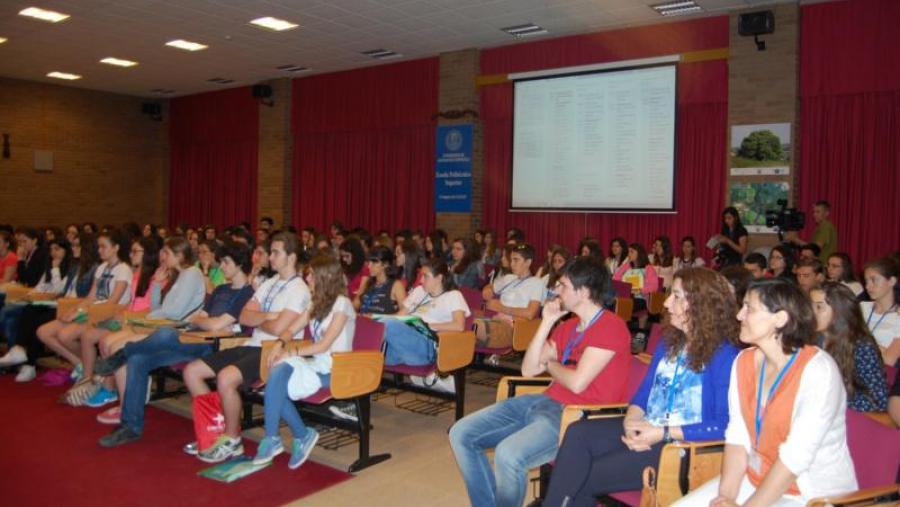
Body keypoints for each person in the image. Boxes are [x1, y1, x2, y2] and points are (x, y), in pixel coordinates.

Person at [543, 268, 741, 507]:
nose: (667, 303)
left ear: (702, 304)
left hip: (683, 446)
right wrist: (630, 422)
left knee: (586, 473)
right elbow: (645, 392)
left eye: (676, 296)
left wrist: (664, 433)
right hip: (649, 427)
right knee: (578, 432)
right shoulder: (670, 343)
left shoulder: (726, 356)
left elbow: (725, 425)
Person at [449, 257, 632, 507]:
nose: (556, 290)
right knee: (461, 433)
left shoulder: (611, 327)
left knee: (508, 455)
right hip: (543, 402)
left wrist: (551, 365)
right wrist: (546, 322)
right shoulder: (568, 327)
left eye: (563, 286)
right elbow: (528, 369)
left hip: (577, 417)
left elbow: (577, 383)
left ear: (584, 292)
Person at [673, 278, 857, 506]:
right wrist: (725, 497)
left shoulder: (818, 371)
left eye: (749, 308)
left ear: (780, 319)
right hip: (755, 479)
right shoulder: (744, 361)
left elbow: (796, 458)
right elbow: (737, 436)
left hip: (808, 492)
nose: (739, 315)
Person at [96, 242, 255, 447]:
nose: (221, 267)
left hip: (211, 346)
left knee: (164, 334)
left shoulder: (246, 292)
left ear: (240, 264)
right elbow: (200, 318)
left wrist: (204, 322)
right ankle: (130, 426)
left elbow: (216, 323)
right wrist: (204, 322)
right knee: (138, 360)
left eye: (226, 262)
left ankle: (122, 354)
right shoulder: (221, 290)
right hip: (191, 339)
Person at [182, 232, 311, 463]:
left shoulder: (299, 289)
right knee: (192, 371)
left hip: (272, 351)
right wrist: (269, 316)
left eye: (275, 252)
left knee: (225, 379)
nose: (269, 257)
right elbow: (243, 316)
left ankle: (232, 440)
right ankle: (213, 431)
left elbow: (280, 328)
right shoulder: (269, 283)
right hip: (251, 344)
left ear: (291, 257)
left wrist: (260, 317)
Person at [252, 254, 355, 469]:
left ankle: (294, 435)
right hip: (319, 364)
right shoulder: (316, 302)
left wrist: (291, 352)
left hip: (339, 368)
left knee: (278, 377)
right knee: (277, 374)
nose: (307, 279)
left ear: (324, 278)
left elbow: (324, 345)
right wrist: (280, 343)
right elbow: (292, 328)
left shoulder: (342, 304)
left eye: (311, 275)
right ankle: (281, 437)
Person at [36, 229, 132, 383]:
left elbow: (112, 302)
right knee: (43, 331)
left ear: (116, 247)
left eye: (103, 246)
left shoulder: (124, 269)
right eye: (98, 246)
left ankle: (88, 374)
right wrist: (74, 310)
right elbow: (91, 297)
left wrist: (82, 312)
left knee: (65, 335)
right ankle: (85, 365)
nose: (99, 250)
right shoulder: (101, 268)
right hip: (93, 312)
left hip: (109, 315)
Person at [0, 233, 97, 381]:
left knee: (33, 318)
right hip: (62, 305)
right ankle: (20, 353)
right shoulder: (75, 266)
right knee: (27, 311)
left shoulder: (91, 268)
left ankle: (27, 361)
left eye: (77, 246)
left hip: (74, 309)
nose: (74, 248)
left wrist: (55, 270)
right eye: (73, 245)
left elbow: (62, 290)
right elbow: (59, 289)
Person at [383, 259, 470, 391]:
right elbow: (399, 316)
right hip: (406, 344)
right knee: (366, 351)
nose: (421, 280)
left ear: (439, 278)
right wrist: (373, 318)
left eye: (426, 276)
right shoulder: (419, 292)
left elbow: (459, 325)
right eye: (421, 276)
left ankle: (432, 379)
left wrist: (426, 325)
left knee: (387, 325)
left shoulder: (453, 296)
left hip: (427, 346)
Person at [811, 282, 888, 412]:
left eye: (819, 307)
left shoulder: (861, 347)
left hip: (848, 415)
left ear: (839, 311)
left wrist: (832, 401)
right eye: (810, 305)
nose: (811, 313)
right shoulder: (812, 339)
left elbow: (878, 400)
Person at [477, 243, 545, 349]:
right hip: (494, 320)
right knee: (466, 322)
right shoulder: (509, 278)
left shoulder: (536, 283)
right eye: (511, 259)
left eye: (516, 260)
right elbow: (489, 287)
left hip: (514, 328)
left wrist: (501, 308)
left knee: (471, 326)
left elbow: (530, 314)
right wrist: (488, 290)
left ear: (528, 262)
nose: (512, 264)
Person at [859, 256, 899, 365]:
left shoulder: (898, 316)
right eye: (866, 281)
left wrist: (862, 344)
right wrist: (880, 349)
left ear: (891, 281)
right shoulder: (861, 307)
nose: (867, 286)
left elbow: (889, 360)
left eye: (874, 280)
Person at [355, 245, 406, 314]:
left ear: (385, 264)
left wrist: (378, 318)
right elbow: (355, 305)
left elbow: (404, 313)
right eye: (369, 262)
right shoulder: (368, 282)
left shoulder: (396, 285)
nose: (369, 266)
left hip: (383, 323)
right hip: (363, 321)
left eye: (374, 262)